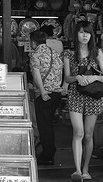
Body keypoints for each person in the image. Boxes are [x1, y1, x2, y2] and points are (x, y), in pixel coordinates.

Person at [63, 20, 103, 182]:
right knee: (78, 132)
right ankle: (77, 171)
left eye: (88, 32)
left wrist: (93, 77)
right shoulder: (69, 53)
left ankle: (85, 168)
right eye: (82, 32)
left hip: (93, 96)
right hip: (75, 94)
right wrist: (76, 77)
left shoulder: (96, 52)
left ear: (91, 35)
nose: (85, 36)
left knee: (88, 135)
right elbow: (67, 78)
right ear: (76, 34)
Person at [29, 30, 63, 166]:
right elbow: (61, 70)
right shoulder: (54, 53)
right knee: (48, 124)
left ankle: (48, 154)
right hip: (56, 93)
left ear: (32, 42)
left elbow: (36, 74)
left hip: (44, 95)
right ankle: (49, 151)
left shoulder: (35, 55)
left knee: (44, 126)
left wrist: (42, 92)